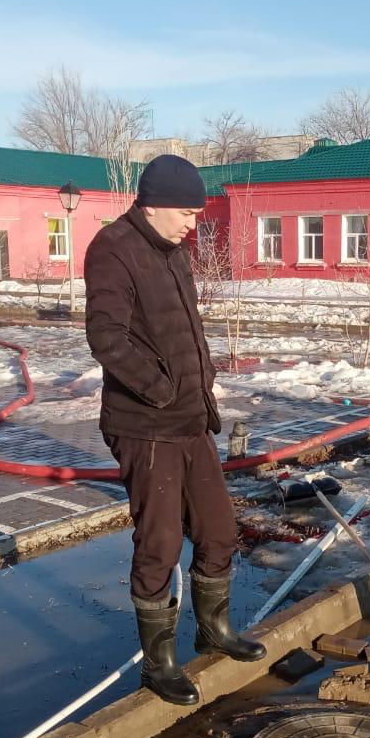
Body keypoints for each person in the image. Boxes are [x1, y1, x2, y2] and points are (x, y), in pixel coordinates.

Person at [84, 154, 264, 707]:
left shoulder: (173, 251)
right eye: (186, 212)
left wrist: (201, 385)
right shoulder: (113, 248)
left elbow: (187, 330)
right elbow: (107, 338)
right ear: (154, 203)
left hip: (189, 419)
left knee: (218, 528)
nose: (193, 223)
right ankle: (159, 665)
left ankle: (214, 631)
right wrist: (163, 391)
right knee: (159, 541)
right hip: (144, 425)